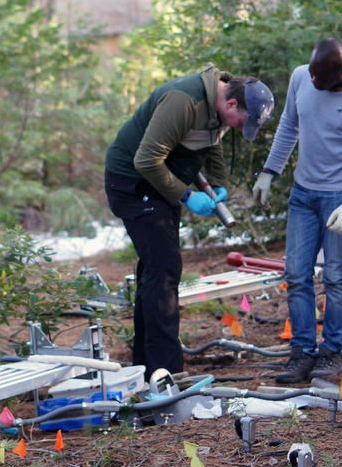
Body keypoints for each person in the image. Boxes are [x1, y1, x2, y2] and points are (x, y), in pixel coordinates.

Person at [105, 64, 275, 379]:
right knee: (165, 269)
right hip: (132, 182)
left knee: (157, 269)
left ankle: (146, 368)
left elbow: (213, 142)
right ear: (232, 104)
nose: (241, 129)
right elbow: (145, 159)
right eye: (243, 121)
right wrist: (187, 196)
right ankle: (166, 373)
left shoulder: (220, 106)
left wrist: (219, 183)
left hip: (161, 182)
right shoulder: (183, 101)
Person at [253, 37, 342, 383]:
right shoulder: (301, 77)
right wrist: (269, 171)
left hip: (340, 197)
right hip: (303, 194)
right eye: (311, 74)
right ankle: (301, 352)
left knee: (335, 277)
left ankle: (330, 353)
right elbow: (289, 126)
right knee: (296, 275)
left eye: (320, 78)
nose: (313, 82)